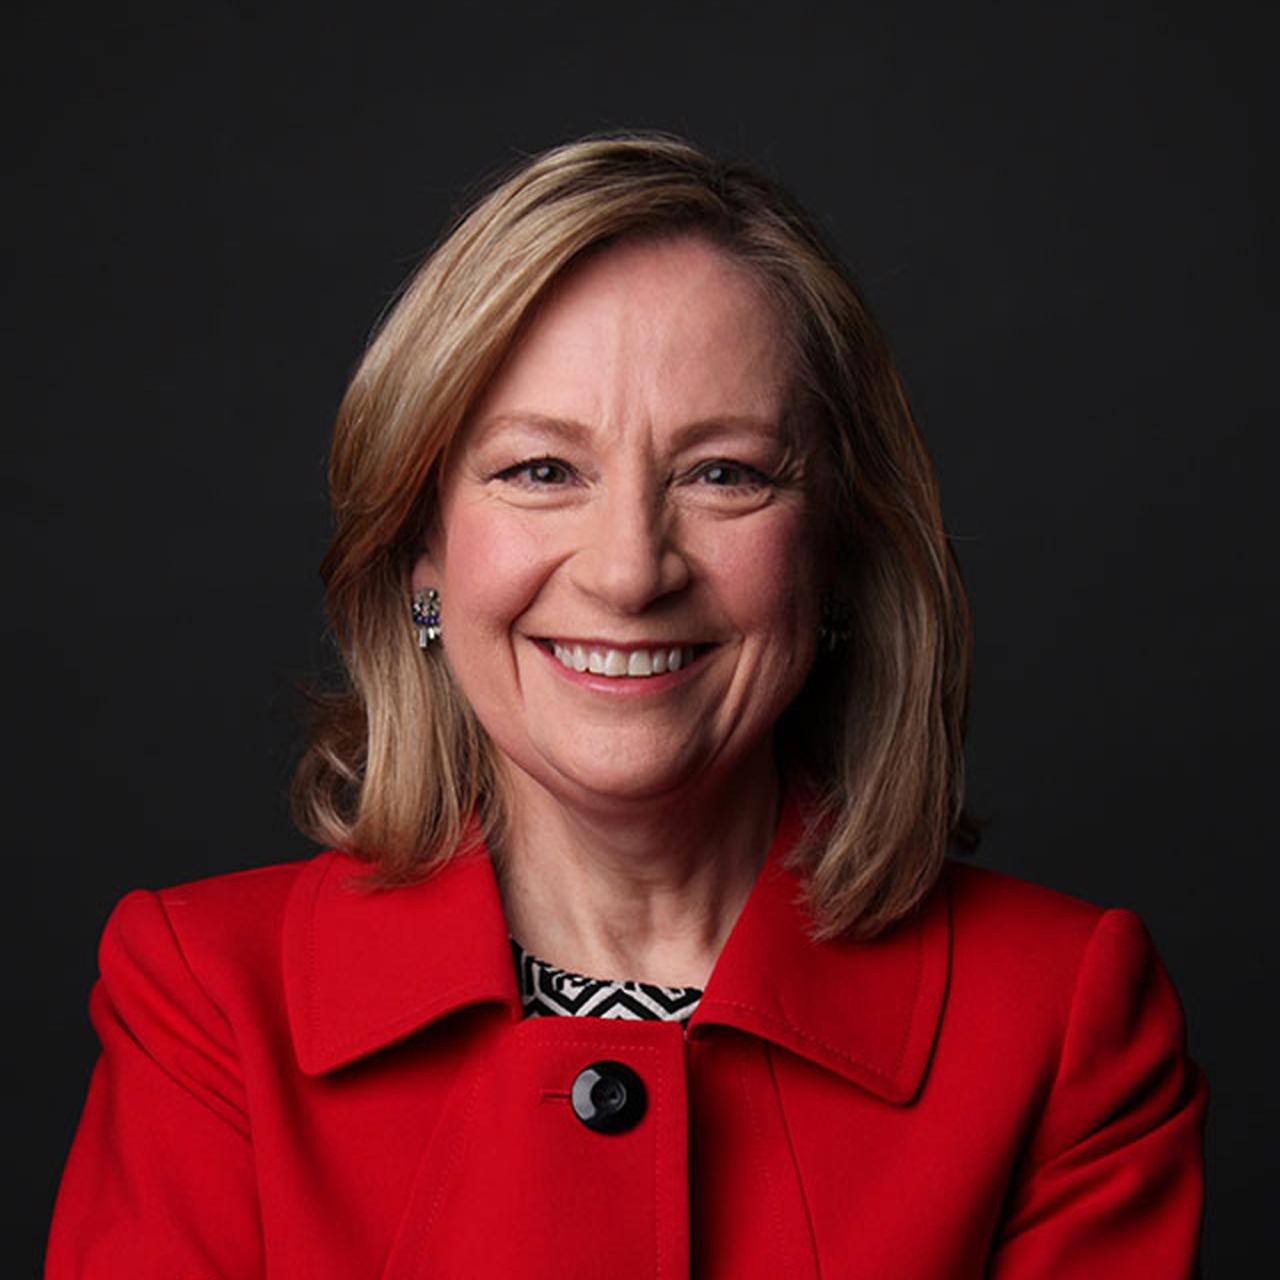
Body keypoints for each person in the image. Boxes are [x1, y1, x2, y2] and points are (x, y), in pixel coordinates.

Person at [46, 133, 1205, 1278]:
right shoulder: (207, 1002)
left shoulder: (1061, 1022)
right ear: (420, 552)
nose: (628, 571)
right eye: (540, 470)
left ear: (836, 557)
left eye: (723, 473)